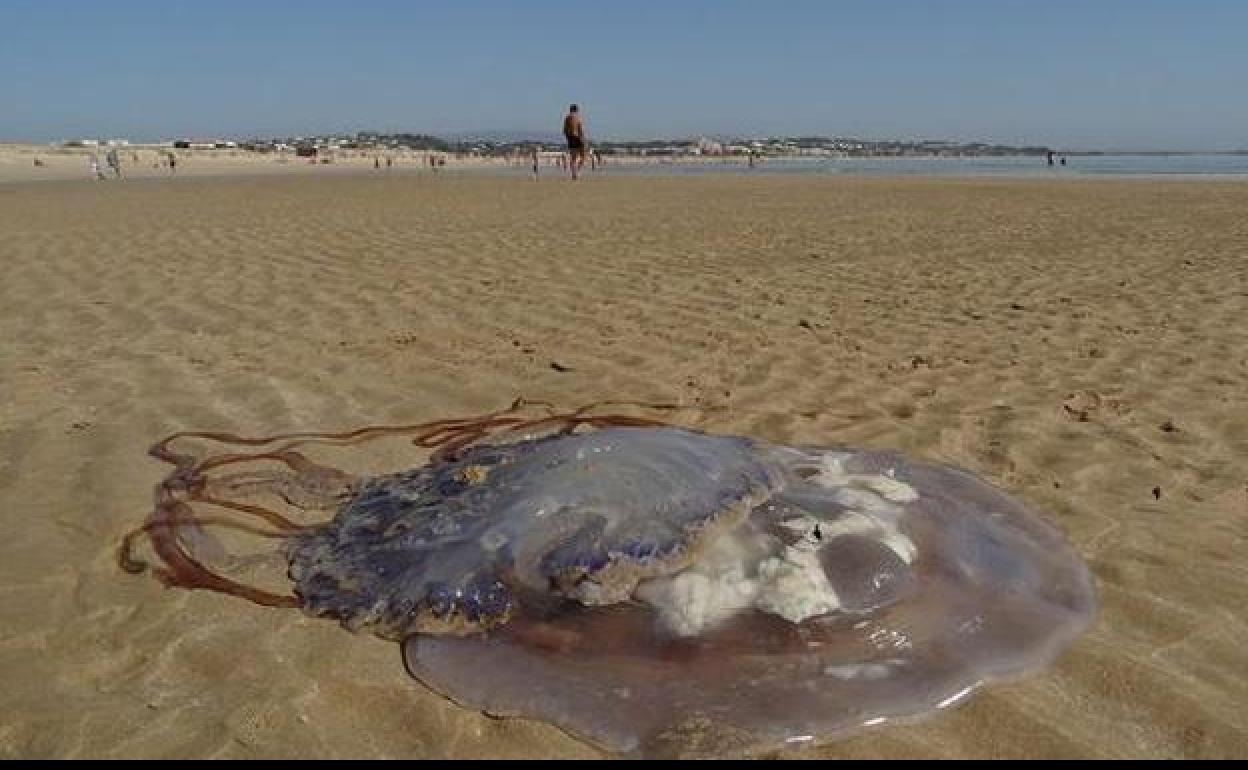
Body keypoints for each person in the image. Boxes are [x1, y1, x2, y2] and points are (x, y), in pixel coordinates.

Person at [562, 103, 587, 179]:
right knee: (583, 156)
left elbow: (564, 130)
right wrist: (584, 140)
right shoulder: (578, 118)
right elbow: (581, 129)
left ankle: (573, 174)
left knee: (573, 158)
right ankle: (578, 172)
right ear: (576, 110)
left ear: (570, 109)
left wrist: (568, 138)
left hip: (570, 138)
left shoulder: (567, 118)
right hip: (577, 137)